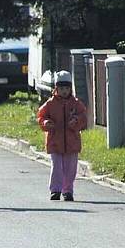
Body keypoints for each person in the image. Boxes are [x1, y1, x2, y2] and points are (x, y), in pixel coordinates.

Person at [36, 70, 87, 201]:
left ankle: (68, 190)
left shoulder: (76, 104)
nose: (64, 91)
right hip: (55, 141)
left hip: (72, 142)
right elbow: (41, 116)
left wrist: (76, 121)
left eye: (67, 88)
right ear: (56, 89)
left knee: (71, 168)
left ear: (71, 89)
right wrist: (46, 122)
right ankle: (55, 190)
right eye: (61, 88)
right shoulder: (50, 104)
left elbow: (83, 117)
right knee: (57, 167)